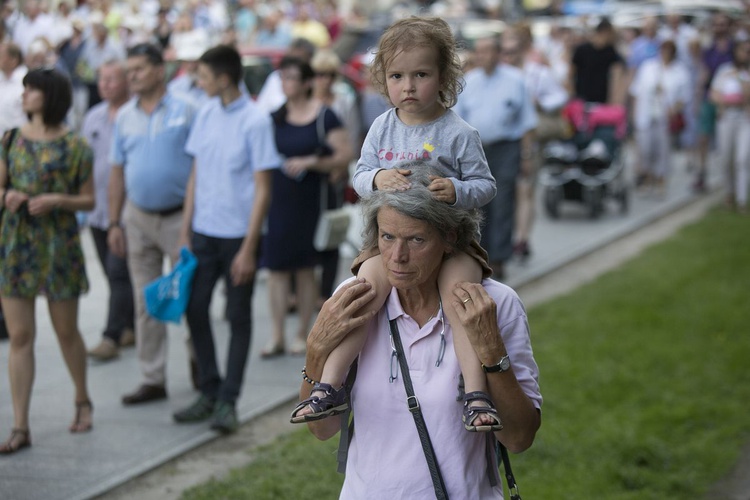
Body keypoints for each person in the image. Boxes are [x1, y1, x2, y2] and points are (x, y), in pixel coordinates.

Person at [293, 17, 501, 434]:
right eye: (397, 76)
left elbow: (487, 186)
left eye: (420, 75)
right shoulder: (381, 127)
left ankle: (476, 393)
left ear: (444, 76)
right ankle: (329, 385)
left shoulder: (459, 133)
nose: (408, 86)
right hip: (387, 243)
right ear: (383, 79)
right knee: (364, 294)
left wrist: (457, 190)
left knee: (461, 298)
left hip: (451, 242)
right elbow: (359, 174)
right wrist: (375, 179)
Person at [298, 166, 542, 497]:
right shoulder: (358, 298)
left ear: (450, 238)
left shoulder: (494, 304)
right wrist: (315, 351)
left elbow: (519, 438)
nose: (397, 257)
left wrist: (491, 352)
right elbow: (321, 429)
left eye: (416, 239)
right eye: (387, 237)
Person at [172, 45, 281, 433]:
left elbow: (263, 188)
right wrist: (185, 231)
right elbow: (196, 175)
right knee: (194, 308)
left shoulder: (255, 121)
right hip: (202, 233)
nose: (197, 82)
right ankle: (210, 389)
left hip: (239, 237)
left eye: (202, 75)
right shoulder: (204, 114)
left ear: (222, 78)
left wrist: (250, 248)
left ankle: (228, 401)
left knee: (237, 316)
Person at [0, 67, 95, 454]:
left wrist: (57, 200)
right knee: (20, 337)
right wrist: (8, 196)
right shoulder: (10, 139)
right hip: (17, 245)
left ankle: (82, 399)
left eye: (31, 89)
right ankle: (20, 426)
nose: (23, 95)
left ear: (50, 96)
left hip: (59, 247)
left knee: (66, 332)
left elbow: (89, 200)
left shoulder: (75, 146)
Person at [108, 43, 198, 405]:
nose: (132, 77)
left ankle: (200, 367)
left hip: (179, 217)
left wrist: (190, 226)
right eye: (129, 70)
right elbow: (117, 171)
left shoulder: (187, 109)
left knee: (189, 296)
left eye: (139, 69)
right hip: (138, 216)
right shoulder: (125, 115)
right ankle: (152, 377)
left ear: (159, 70)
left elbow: (198, 167)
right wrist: (114, 222)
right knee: (145, 300)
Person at [259, 55, 352, 358]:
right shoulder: (275, 117)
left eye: (292, 77)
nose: (286, 83)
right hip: (279, 197)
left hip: (311, 198)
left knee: (304, 268)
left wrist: (313, 161)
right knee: (276, 269)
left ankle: (302, 333)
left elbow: (345, 153)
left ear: (307, 82)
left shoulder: (325, 116)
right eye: (282, 77)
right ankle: (276, 336)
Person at [454, 34, 536, 277]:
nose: (483, 56)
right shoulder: (469, 81)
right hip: (477, 149)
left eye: (488, 50)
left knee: (503, 201)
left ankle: (499, 257)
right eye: (479, 51)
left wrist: (527, 154)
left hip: (506, 147)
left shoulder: (514, 80)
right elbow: (458, 120)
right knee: (478, 203)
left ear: (498, 53)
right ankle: (481, 254)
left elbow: (527, 121)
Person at [82, 59, 136, 361]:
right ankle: (130, 326)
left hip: (125, 212)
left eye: (112, 80)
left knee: (117, 273)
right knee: (113, 272)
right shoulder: (93, 117)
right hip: (96, 210)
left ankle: (111, 335)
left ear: (126, 82)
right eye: (102, 79)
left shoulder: (132, 115)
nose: (105, 85)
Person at [501, 28, 568, 260]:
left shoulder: (537, 73)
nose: (508, 56)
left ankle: (522, 239)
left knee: (526, 190)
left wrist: (540, 102)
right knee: (507, 194)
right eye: (505, 51)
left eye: (513, 51)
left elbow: (560, 96)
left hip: (531, 140)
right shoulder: (501, 76)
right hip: (505, 142)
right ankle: (508, 238)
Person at [310, 48, 361, 304]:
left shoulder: (344, 101)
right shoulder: (306, 101)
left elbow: (352, 137)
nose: (324, 80)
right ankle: (302, 290)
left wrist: (341, 170)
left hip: (334, 176)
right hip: (308, 178)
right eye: (319, 74)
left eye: (329, 74)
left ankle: (323, 291)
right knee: (306, 232)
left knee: (331, 232)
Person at [629, 40, 691, 196]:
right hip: (646, 115)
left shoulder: (680, 71)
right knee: (646, 149)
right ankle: (648, 179)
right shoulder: (648, 67)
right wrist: (634, 115)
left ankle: (661, 182)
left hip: (665, 118)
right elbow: (636, 91)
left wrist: (674, 109)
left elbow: (684, 97)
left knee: (663, 151)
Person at [709, 39, 750, 215]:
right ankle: (729, 193)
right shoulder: (724, 71)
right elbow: (714, 93)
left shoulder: (745, 74)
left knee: (742, 159)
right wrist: (724, 101)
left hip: (744, 118)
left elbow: (747, 96)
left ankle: (742, 200)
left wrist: (740, 78)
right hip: (726, 117)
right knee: (726, 157)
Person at [569, 17, 626, 105]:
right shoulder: (581, 50)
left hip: (601, 101)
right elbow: (571, 73)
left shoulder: (611, 52)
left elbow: (616, 76)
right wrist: (573, 94)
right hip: (582, 99)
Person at [0, 41, 26, 136]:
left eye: (1, 55)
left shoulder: (26, 82)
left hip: (17, 142)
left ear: (13, 60)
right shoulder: (1, 78)